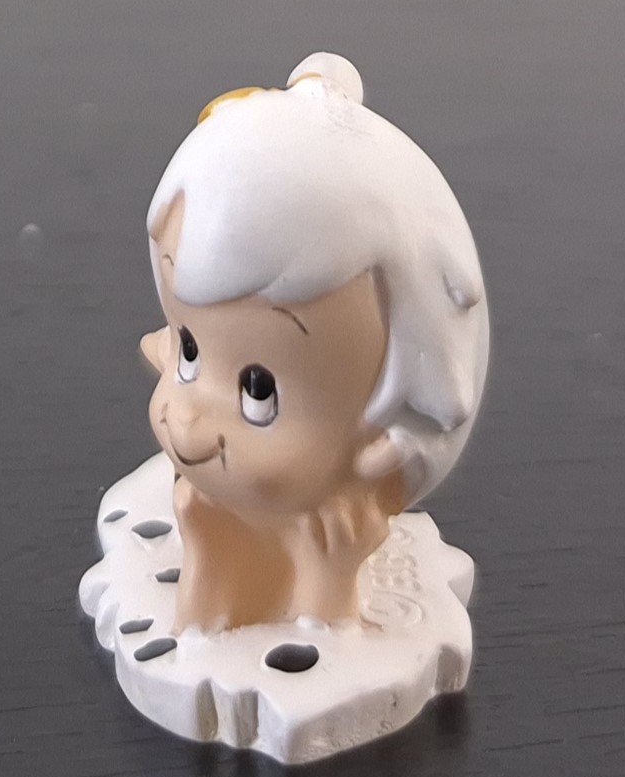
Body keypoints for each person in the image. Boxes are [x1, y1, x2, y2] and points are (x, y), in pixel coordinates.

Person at [140, 52, 489, 631]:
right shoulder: (205, 504)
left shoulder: (337, 523)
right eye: (190, 351)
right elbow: (194, 635)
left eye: (259, 390)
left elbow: (324, 649)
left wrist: (330, 579)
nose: (186, 421)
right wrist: (207, 553)